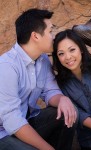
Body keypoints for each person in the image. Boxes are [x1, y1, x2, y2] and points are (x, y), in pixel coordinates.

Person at [0, 9, 77, 150]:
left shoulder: (42, 59)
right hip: (3, 132)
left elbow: (51, 91)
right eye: (50, 32)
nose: (53, 37)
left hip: (27, 120)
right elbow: (12, 121)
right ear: (35, 36)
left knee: (68, 112)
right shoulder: (6, 66)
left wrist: (62, 99)